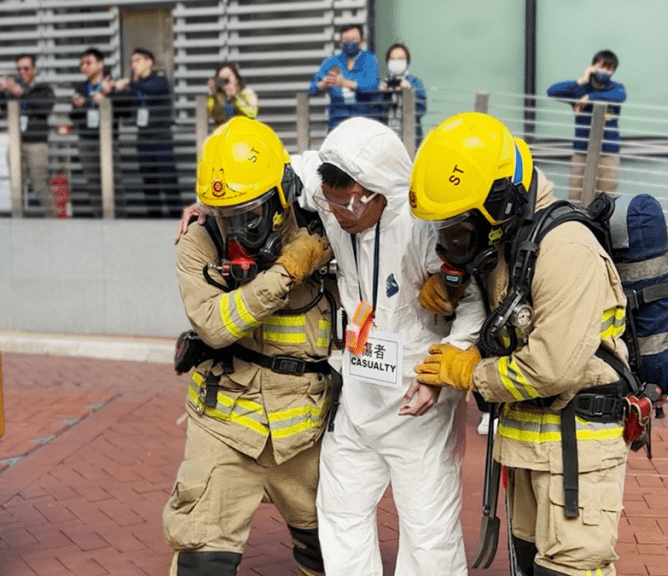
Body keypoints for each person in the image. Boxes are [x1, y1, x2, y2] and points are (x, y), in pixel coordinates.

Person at [411, 112, 630, 576]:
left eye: (459, 229)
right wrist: (456, 287)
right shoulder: (511, 243)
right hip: (529, 446)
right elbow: (509, 327)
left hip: (576, 452)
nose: (451, 243)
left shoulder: (565, 248)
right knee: (527, 567)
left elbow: (552, 366)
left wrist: (470, 371)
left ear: (500, 204)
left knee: (570, 570)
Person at [289, 117, 483, 575]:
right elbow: (284, 168)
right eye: (329, 202)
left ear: (377, 193)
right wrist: (204, 205)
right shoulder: (331, 193)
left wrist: (449, 362)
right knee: (339, 509)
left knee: (427, 527)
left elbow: (472, 298)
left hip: (417, 398)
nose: (335, 214)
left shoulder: (422, 225)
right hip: (358, 391)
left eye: (345, 206)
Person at [166, 117, 333, 576]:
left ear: (280, 196)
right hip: (225, 426)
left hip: (305, 429)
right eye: (226, 216)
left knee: (330, 551)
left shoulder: (323, 225)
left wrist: (315, 246)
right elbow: (216, 328)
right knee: (203, 558)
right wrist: (284, 273)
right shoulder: (199, 241)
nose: (237, 232)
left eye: (249, 215)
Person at [546, 49, 626, 202]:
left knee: (605, 199)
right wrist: (581, 81)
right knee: (576, 197)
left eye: (609, 68)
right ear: (593, 66)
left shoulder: (616, 88)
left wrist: (590, 97)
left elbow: (620, 96)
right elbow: (552, 91)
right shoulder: (579, 89)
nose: (604, 71)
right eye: (601, 65)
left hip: (608, 153)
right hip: (582, 152)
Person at [109, 47, 180, 218]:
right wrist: (111, 91)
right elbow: (123, 105)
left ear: (149, 62)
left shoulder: (160, 81)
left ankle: (178, 219)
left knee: (168, 181)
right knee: (149, 183)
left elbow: (153, 89)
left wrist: (127, 83)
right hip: (143, 139)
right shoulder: (134, 87)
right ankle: (154, 218)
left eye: (138, 60)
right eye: (132, 61)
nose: (134, 64)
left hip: (161, 138)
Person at [0, 54, 57, 216]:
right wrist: (2, 92)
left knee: (39, 184)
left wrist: (21, 93)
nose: (21, 72)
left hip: (36, 142)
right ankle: (18, 219)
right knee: (15, 184)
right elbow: (2, 110)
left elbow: (45, 108)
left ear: (34, 70)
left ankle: (54, 218)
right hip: (17, 141)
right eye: (18, 69)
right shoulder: (14, 88)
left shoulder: (43, 89)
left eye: (25, 68)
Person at [309, 24, 380, 130]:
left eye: (353, 39)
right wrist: (325, 83)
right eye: (346, 40)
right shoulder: (331, 61)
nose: (350, 43)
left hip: (364, 122)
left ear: (361, 41)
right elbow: (312, 88)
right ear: (340, 42)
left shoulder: (370, 59)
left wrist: (344, 82)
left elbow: (372, 85)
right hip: (337, 122)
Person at [70, 47, 110, 217]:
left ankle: (118, 218)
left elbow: (125, 111)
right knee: (92, 183)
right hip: (86, 139)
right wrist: (78, 107)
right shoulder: (80, 87)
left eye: (88, 63)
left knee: (111, 182)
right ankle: (98, 217)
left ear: (100, 64)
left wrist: (106, 99)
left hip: (107, 139)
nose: (84, 67)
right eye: (82, 64)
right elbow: (72, 116)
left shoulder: (110, 84)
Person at [375, 42, 427, 146]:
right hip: (387, 140)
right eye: (392, 59)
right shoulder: (383, 83)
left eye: (400, 59)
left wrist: (409, 91)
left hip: (410, 139)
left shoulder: (415, 82)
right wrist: (380, 94)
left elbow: (422, 109)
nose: (396, 62)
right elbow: (375, 113)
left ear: (407, 62)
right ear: (387, 62)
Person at [206, 62, 259, 127]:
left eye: (227, 78)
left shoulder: (247, 92)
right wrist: (216, 95)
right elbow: (213, 115)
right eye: (221, 80)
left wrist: (236, 97)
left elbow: (252, 114)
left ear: (236, 79)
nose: (225, 83)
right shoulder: (215, 98)